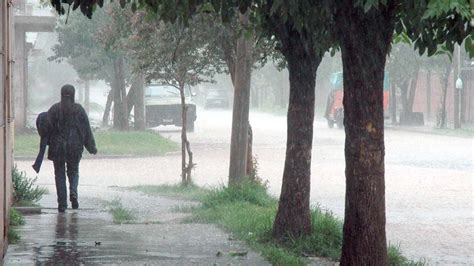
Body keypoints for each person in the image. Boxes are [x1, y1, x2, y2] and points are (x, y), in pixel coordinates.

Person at [46, 84, 97, 212]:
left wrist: (47, 143)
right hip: (75, 146)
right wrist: (91, 147)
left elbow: (46, 128)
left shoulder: (54, 109)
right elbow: (86, 130)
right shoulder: (79, 110)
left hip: (57, 147)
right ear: (73, 95)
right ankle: (73, 192)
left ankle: (62, 204)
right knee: (73, 171)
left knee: (59, 174)